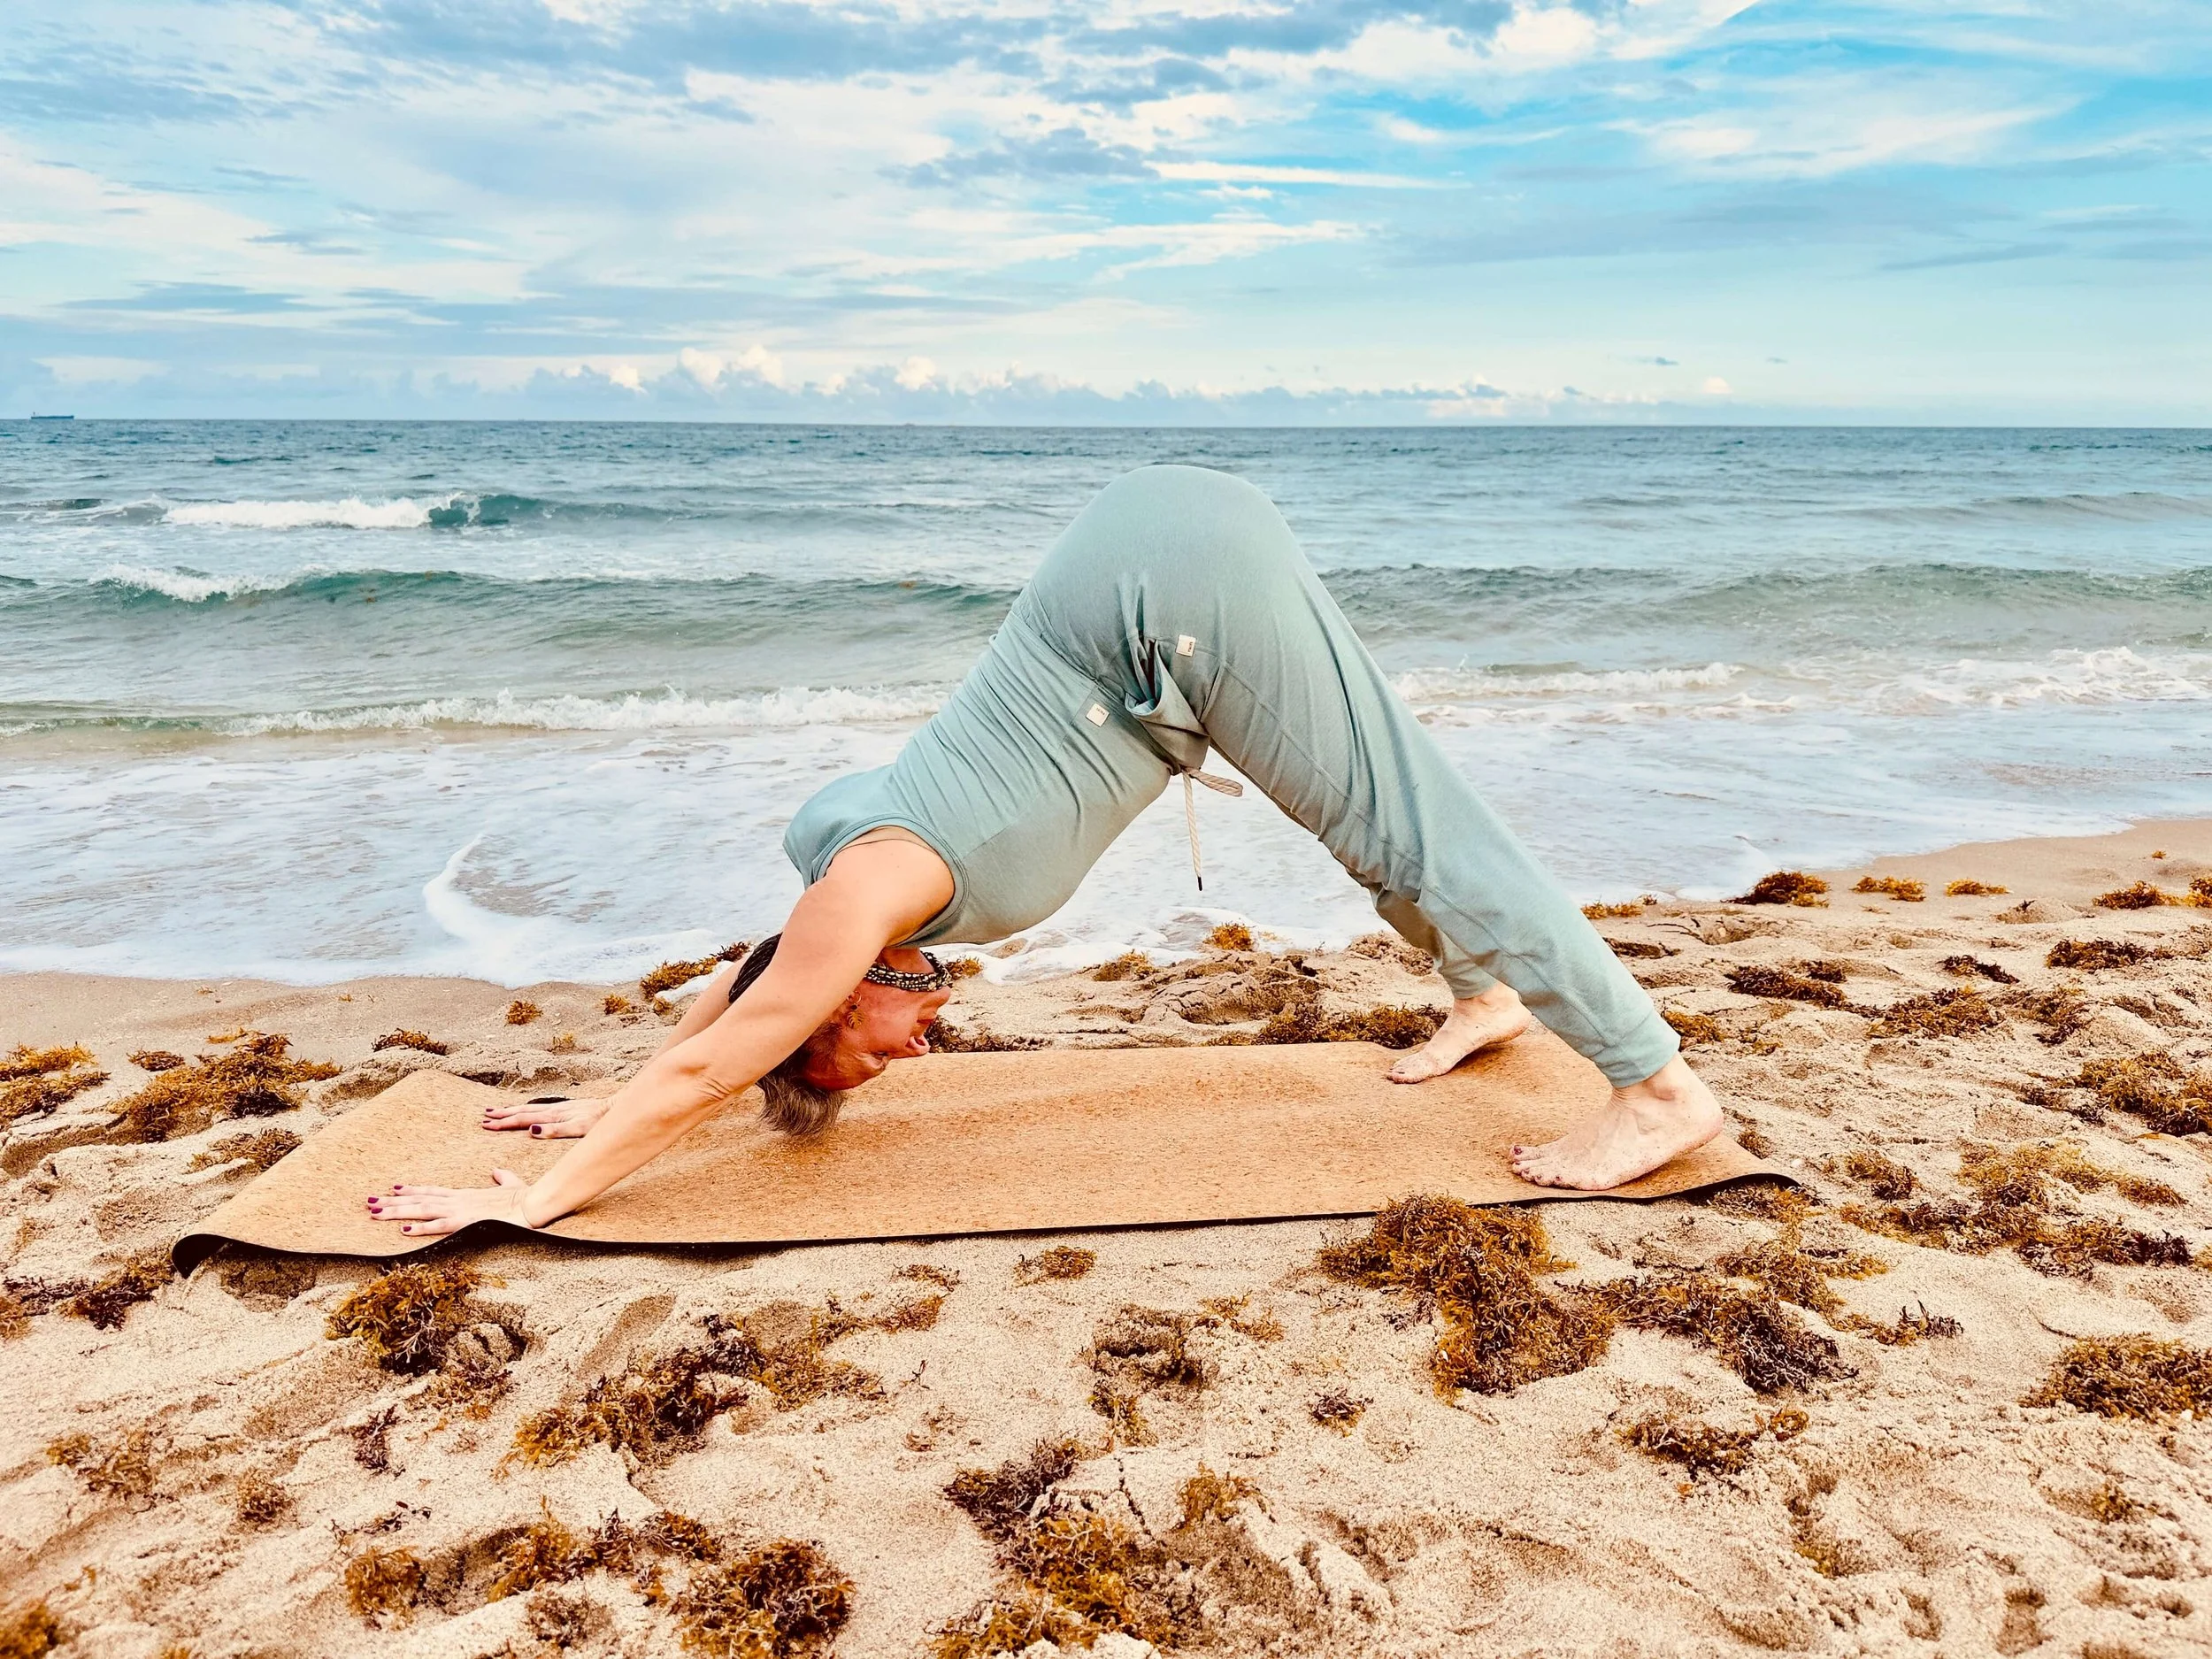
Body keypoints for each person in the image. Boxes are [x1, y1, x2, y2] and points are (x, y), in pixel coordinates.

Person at [366, 466, 1721, 1240]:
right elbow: (741, 998)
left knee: (1419, 831)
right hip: (1144, 577)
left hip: (1168, 599)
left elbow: (725, 1050)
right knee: (1363, 817)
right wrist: (602, 1104)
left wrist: (536, 1200)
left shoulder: (873, 891)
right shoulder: (845, 902)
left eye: (863, 1052)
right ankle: (1486, 994)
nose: (912, 1051)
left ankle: (1656, 1089)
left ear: (833, 1000)